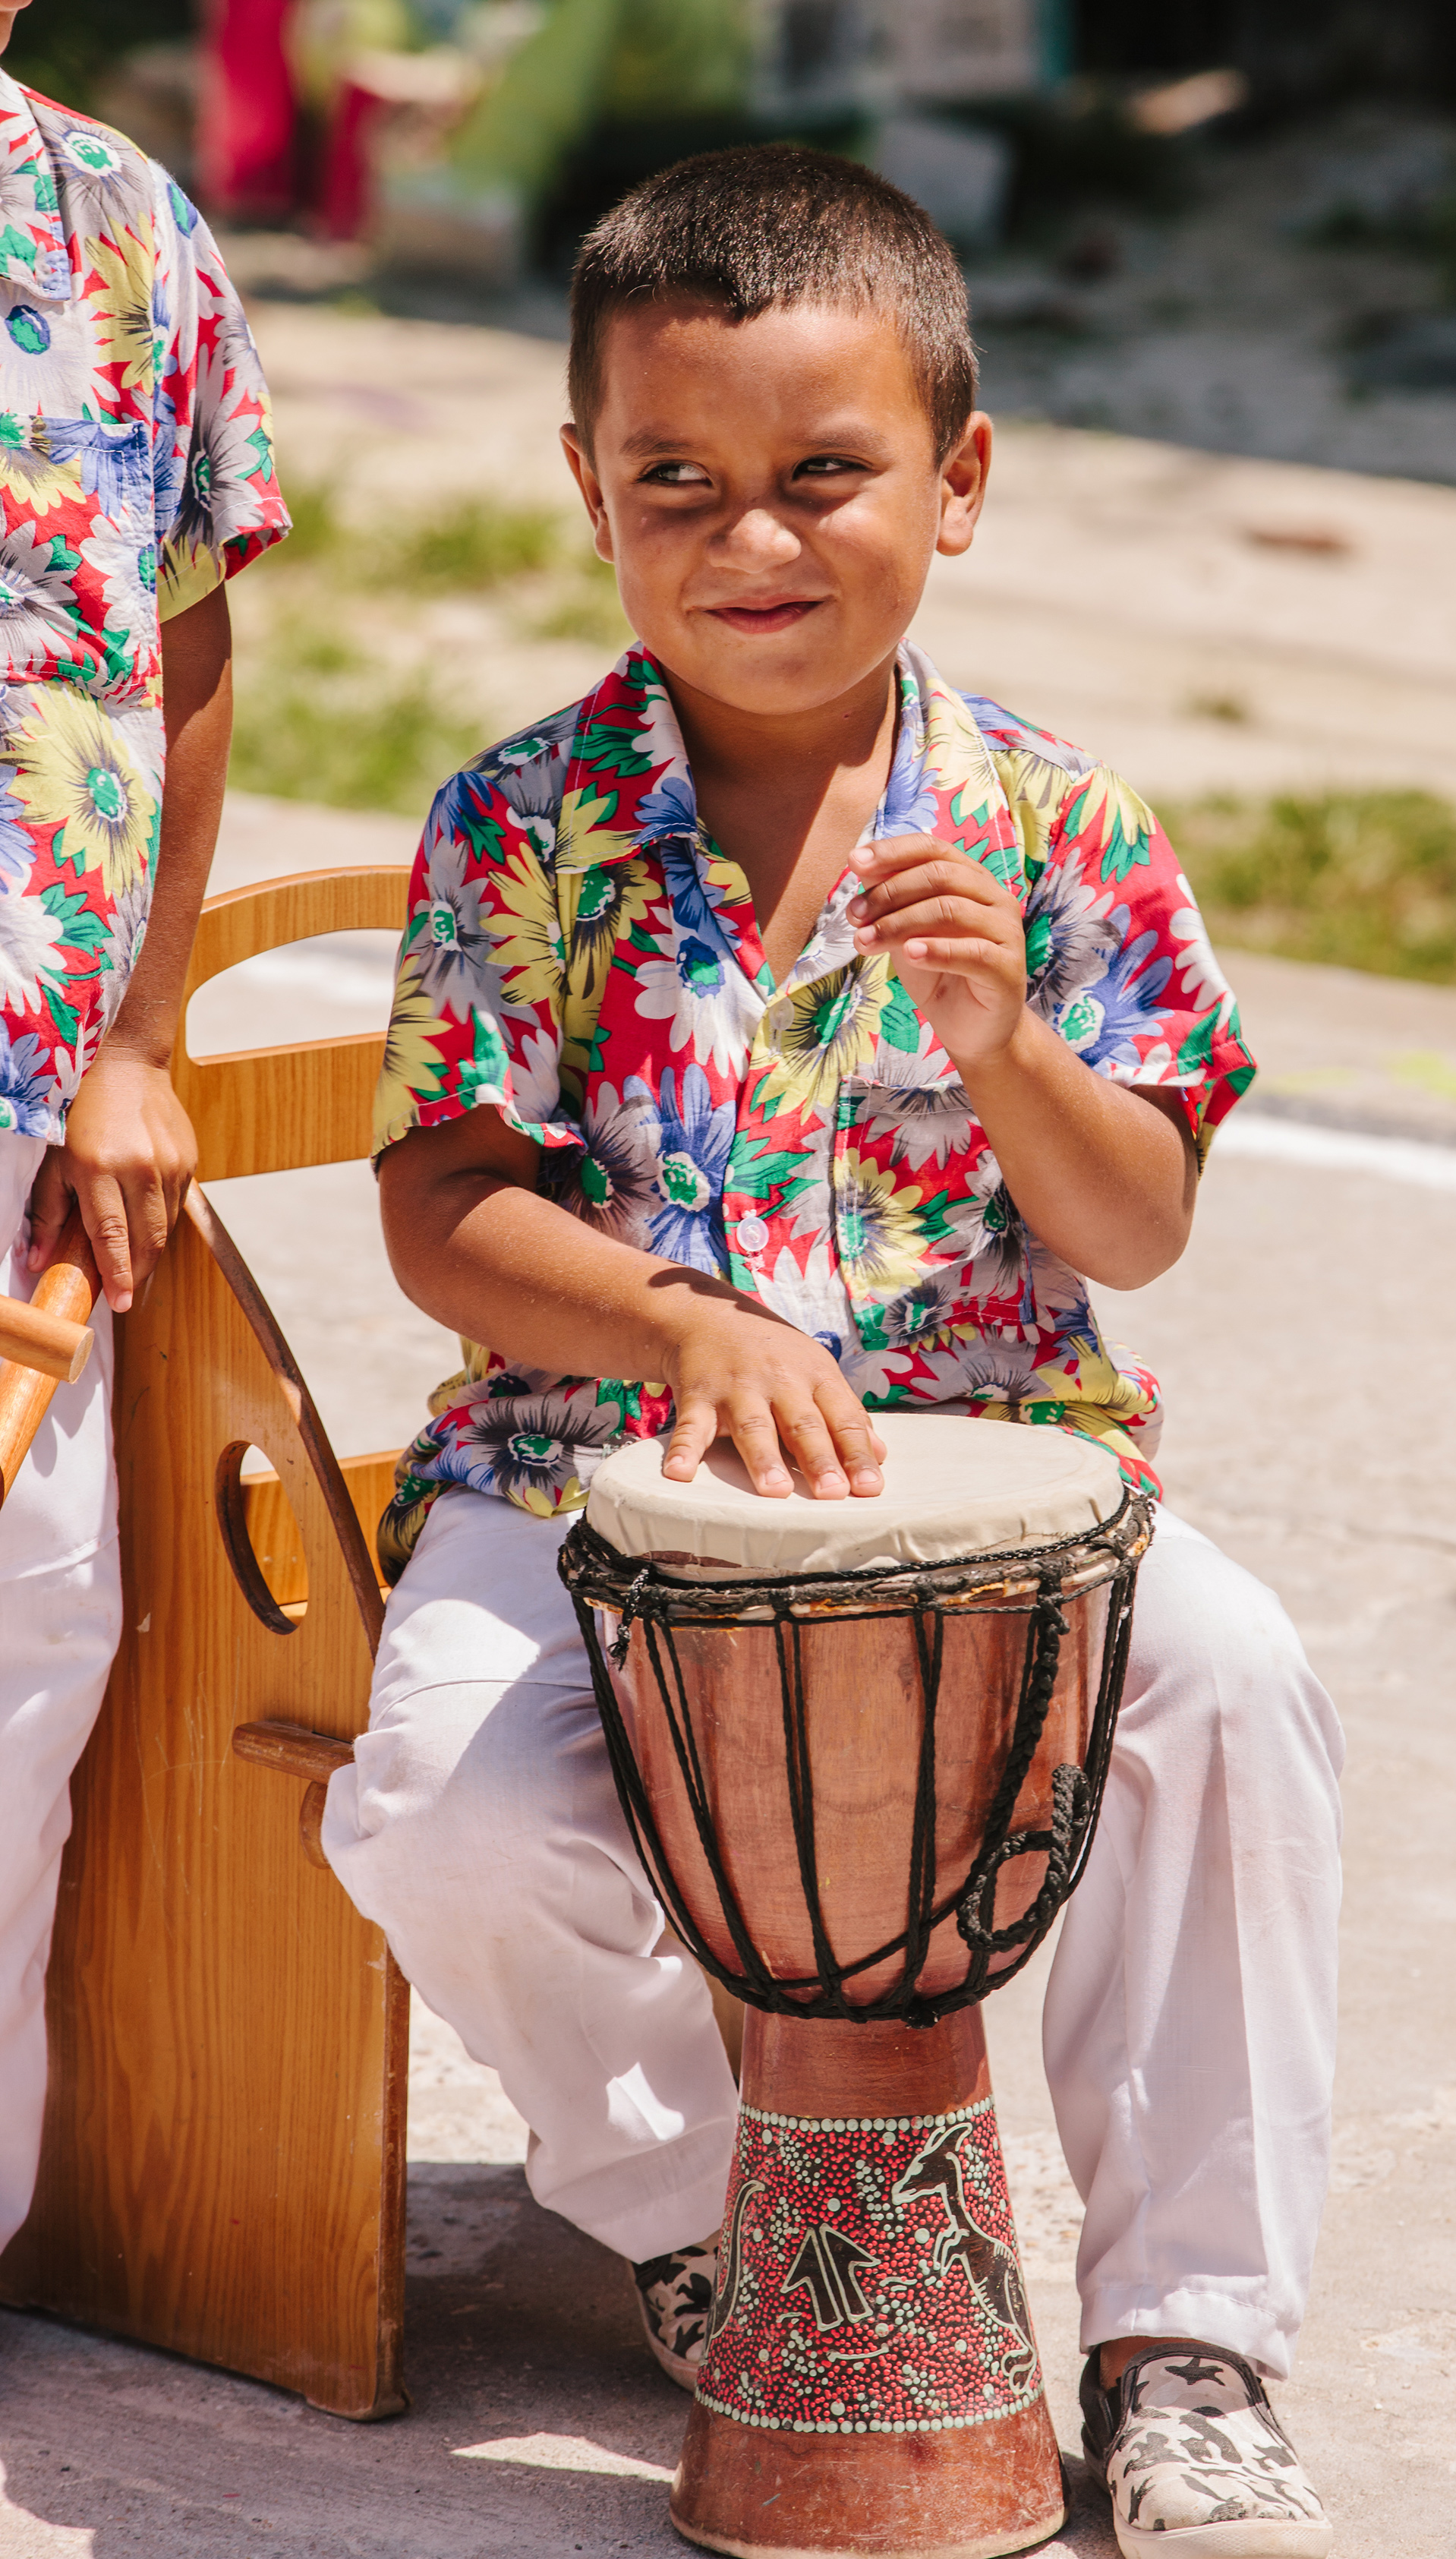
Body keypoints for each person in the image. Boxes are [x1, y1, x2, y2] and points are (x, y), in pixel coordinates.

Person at [324, 146, 1344, 2556]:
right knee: (449, 1817)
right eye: (675, 479)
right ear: (587, 489)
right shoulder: (524, 829)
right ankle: (730, 2221)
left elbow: (1142, 1218)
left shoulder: (1065, 828)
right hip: (589, 1473)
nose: (750, 540)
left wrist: (1008, 1046)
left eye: (823, 477)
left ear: (957, 482)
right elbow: (439, 1211)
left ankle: (1188, 2334)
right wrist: (679, 1323)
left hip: (1002, 1473)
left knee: (1232, 1692)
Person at [0, 17, 288, 2255]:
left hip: (29, 1086)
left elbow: (177, 663)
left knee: (36, 1626)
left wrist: (140, 1036)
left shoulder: (126, 229)